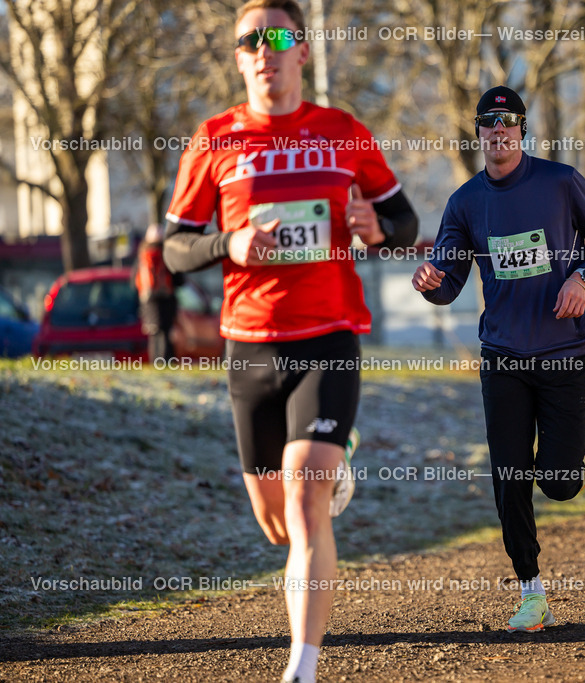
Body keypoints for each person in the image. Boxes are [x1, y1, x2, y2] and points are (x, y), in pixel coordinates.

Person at [162, 1, 417, 681]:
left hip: (328, 337)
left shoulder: (342, 132)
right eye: (250, 41)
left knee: (306, 503)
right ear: (239, 57)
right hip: (249, 347)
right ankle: (334, 465)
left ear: (302, 51)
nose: (263, 51)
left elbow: (404, 220)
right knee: (275, 524)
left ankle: (301, 667)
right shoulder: (213, 140)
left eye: (277, 38)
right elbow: (175, 249)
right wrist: (229, 242)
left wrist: (374, 227)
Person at [412, 86, 585, 632]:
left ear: (522, 130)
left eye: (509, 124)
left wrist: (582, 277)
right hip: (503, 354)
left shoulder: (559, 182)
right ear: (479, 132)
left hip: (563, 351)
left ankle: (571, 456)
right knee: (508, 475)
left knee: (558, 483)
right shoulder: (465, 202)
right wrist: (430, 282)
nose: (499, 133)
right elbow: (448, 281)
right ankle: (532, 591)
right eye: (489, 124)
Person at [134, 223, 182, 362]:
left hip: (148, 300)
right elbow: (178, 279)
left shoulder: (142, 255)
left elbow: (134, 280)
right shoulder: (167, 254)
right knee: (166, 334)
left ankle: (155, 361)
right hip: (166, 299)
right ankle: (166, 362)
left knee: (153, 334)